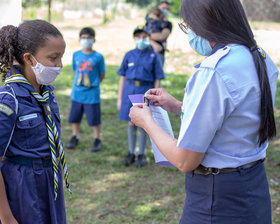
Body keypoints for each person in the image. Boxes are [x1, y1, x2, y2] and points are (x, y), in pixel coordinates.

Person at [129, 0, 279, 223]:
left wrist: (147, 122)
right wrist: (181, 107)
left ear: (205, 24)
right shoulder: (259, 57)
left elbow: (185, 160)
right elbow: (236, 117)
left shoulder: (215, 70)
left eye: (188, 26)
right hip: (253, 185)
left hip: (217, 198)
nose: (189, 33)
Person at [0, 19, 70, 224]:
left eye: (61, 57)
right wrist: (6, 217)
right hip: (23, 186)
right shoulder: (8, 99)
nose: (60, 65)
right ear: (29, 58)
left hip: (49, 179)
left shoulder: (46, 93)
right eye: (53, 58)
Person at [117, 25, 165, 167]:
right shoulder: (129, 55)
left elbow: (157, 78)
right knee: (131, 122)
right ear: (134, 38)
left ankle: (141, 154)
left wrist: (155, 96)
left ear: (149, 38)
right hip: (129, 90)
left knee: (144, 123)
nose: (141, 39)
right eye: (137, 37)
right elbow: (122, 77)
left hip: (145, 90)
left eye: (144, 37)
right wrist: (120, 98)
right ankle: (131, 153)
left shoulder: (154, 56)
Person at [66, 27, 105, 152]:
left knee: (94, 118)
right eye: (83, 37)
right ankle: (74, 136)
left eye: (88, 37)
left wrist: (93, 83)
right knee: (75, 117)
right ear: (79, 39)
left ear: (94, 39)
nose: (86, 40)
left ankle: (97, 139)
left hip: (92, 94)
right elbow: (75, 70)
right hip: (77, 92)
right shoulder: (76, 55)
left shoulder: (98, 57)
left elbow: (101, 74)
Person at [146, 1, 173, 65]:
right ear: (158, 8)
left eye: (167, 9)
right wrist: (153, 43)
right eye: (163, 8)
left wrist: (146, 36)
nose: (165, 10)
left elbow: (162, 36)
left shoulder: (167, 24)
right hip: (146, 50)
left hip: (158, 53)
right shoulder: (150, 21)